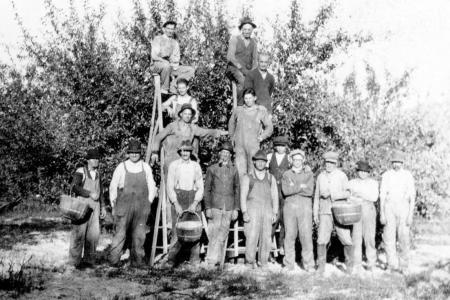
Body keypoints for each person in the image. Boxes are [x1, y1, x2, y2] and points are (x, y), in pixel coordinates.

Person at [108, 139, 156, 267]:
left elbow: (152, 186)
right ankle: (114, 261)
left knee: (139, 235)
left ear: (140, 153)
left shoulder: (145, 167)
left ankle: (137, 262)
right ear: (128, 153)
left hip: (141, 206)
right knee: (120, 233)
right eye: (132, 152)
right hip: (124, 205)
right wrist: (114, 204)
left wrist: (148, 202)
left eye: (137, 152)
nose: (134, 154)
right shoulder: (121, 167)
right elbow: (113, 186)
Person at [151, 103, 227, 178]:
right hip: (172, 159)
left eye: (189, 114)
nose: (187, 116)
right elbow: (158, 137)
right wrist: (155, 152)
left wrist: (221, 132)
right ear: (181, 114)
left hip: (185, 159)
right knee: (170, 183)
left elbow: (206, 132)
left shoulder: (193, 128)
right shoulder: (172, 126)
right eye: (185, 114)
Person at [165, 140, 204, 267]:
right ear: (179, 152)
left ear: (190, 152)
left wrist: (195, 202)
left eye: (187, 151)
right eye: (183, 150)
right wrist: (175, 203)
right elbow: (170, 186)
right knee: (177, 230)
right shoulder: (174, 165)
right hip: (179, 198)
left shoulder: (195, 166)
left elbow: (200, 187)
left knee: (195, 229)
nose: (185, 153)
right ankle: (172, 259)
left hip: (193, 198)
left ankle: (194, 259)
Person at [313, 151, 353, 274]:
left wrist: (332, 194)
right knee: (321, 239)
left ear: (336, 163)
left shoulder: (341, 176)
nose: (329, 165)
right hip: (324, 212)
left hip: (340, 211)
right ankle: (320, 268)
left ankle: (350, 268)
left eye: (331, 163)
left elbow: (348, 193)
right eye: (327, 163)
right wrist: (315, 213)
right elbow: (316, 197)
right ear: (324, 163)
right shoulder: (320, 176)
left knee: (346, 238)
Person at [204, 141, 240, 266]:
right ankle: (210, 260)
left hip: (229, 207)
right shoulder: (212, 169)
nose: (225, 155)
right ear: (219, 154)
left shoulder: (234, 170)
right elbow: (207, 190)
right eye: (223, 152)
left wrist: (236, 209)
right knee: (213, 233)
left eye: (227, 153)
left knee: (224, 233)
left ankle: (220, 260)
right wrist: (208, 207)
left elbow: (237, 190)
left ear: (230, 155)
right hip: (215, 206)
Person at [240, 150, 278, 268]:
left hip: (267, 210)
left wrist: (275, 212)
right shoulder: (248, 177)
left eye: (263, 161)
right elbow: (243, 196)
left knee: (266, 237)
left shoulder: (271, 178)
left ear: (265, 163)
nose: (260, 164)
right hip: (252, 210)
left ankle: (263, 262)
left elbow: (275, 196)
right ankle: (249, 262)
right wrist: (244, 212)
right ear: (254, 162)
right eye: (258, 161)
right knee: (251, 236)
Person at [69, 148, 106, 268]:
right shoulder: (81, 171)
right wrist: (89, 193)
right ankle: (75, 262)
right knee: (78, 234)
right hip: (82, 206)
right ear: (88, 160)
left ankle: (89, 261)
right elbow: (74, 187)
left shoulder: (98, 174)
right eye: (93, 159)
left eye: (97, 159)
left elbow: (101, 192)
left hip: (95, 208)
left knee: (93, 235)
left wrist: (103, 207)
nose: (96, 161)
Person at [380, 151, 415, 273]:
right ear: (391, 162)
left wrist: (410, 215)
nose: (397, 164)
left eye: (399, 162)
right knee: (389, 238)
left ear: (403, 163)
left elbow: (412, 197)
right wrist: (382, 213)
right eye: (394, 162)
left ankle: (404, 266)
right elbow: (382, 195)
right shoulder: (386, 175)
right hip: (389, 207)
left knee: (404, 238)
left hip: (403, 207)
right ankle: (391, 265)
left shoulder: (408, 175)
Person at [281, 149, 315, 272]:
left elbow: (309, 191)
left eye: (299, 160)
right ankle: (288, 264)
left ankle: (309, 264)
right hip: (290, 207)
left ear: (303, 160)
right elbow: (286, 191)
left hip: (305, 206)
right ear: (291, 160)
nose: (297, 162)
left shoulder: (309, 174)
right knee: (289, 235)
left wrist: (294, 186)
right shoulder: (286, 174)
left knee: (306, 236)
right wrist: (301, 186)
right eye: (295, 160)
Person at [228, 88, 273, 177]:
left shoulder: (260, 110)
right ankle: (241, 190)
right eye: (246, 98)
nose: (248, 101)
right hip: (239, 146)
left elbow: (269, 127)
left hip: (253, 146)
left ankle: (252, 190)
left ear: (255, 98)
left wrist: (262, 137)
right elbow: (231, 123)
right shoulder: (238, 110)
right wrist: (232, 138)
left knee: (253, 171)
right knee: (239, 172)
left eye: (250, 98)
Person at [349, 161, 379, 273]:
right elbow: (349, 197)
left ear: (368, 172)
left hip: (368, 209)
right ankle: (357, 264)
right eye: (360, 171)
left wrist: (360, 194)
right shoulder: (351, 182)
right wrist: (356, 197)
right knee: (356, 238)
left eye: (365, 171)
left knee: (369, 237)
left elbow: (374, 197)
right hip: (356, 209)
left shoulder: (373, 183)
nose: (363, 173)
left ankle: (371, 263)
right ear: (357, 171)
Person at [151, 20, 195, 94]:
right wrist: (164, 60)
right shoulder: (158, 39)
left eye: (172, 29)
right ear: (164, 29)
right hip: (157, 65)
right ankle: (164, 88)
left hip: (170, 66)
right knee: (166, 65)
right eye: (168, 28)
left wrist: (174, 63)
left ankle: (173, 85)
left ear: (174, 30)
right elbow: (154, 56)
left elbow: (176, 58)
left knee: (190, 70)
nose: (170, 31)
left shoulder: (175, 43)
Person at [266, 135, 291, 256]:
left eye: (283, 146)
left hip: (285, 193)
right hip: (272, 193)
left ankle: (282, 247)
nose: (281, 148)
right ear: (275, 147)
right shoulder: (269, 157)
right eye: (278, 146)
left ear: (286, 147)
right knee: (272, 219)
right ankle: (268, 249)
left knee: (285, 220)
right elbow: (265, 173)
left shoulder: (290, 159)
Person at [227, 16, 258, 104]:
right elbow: (230, 57)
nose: (247, 31)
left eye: (249, 29)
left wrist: (252, 72)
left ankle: (252, 107)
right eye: (245, 29)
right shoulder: (234, 39)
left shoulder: (253, 43)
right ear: (241, 29)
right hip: (234, 68)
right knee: (242, 81)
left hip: (247, 70)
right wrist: (241, 68)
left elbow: (255, 60)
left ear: (252, 30)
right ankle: (240, 106)